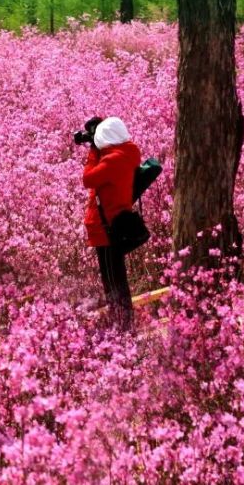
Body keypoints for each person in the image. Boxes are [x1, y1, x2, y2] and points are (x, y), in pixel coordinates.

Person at [81, 116, 141, 331]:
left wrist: (93, 151)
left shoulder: (111, 160)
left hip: (106, 228)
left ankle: (122, 325)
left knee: (112, 280)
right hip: (117, 222)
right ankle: (125, 322)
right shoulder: (130, 152)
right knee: (118, 276)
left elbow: (88, 179)